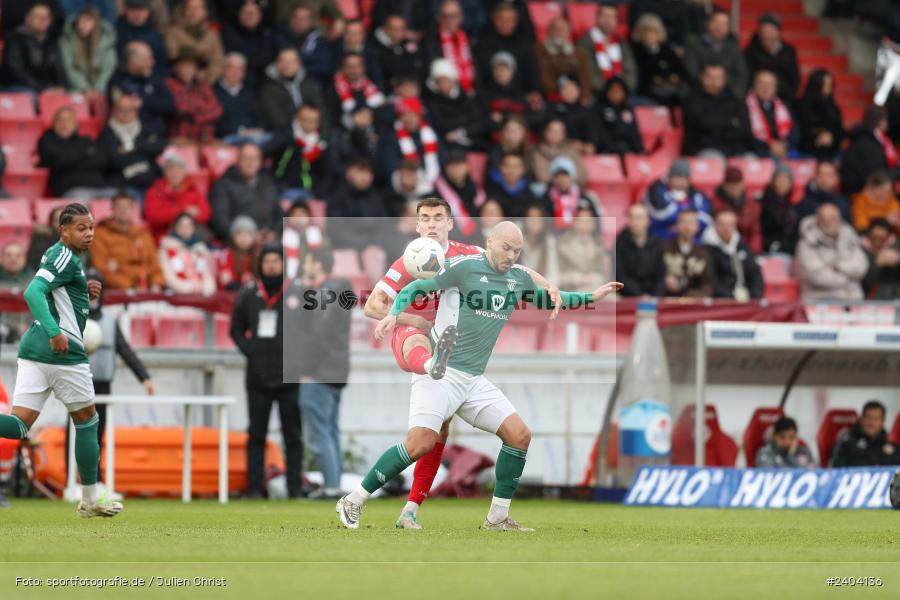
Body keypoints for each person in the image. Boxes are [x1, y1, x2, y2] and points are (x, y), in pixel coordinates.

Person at [340, 221, 621, 530]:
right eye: (506, 247)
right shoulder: (463, 267)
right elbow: (416, 287)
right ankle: (353, 499)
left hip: (473, 380)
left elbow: (551, 299)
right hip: (441, 373)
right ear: (490, 242)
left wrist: (591, 298)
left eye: (517, 250)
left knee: (520, 436)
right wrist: (394, 315)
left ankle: (497, 517)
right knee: (419, 443)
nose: (511, 255)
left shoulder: (518, 278)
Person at [362, 198, 556, 527]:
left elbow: (513, 267)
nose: (432, 223)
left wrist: (548, 285)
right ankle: (428, 364)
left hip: (450, 350)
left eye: (439, 217)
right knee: (419, 340)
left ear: (450, 223)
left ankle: (410, 510)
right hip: (412, 332)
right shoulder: (409, 261)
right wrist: (415, 320)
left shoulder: (466, 255)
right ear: (418, 226)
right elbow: (372, 306)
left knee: (437, 432)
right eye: (425, 218)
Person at [0, 203, 123, 518]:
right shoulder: (65, 255)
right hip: (63, 353)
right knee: (88, 421)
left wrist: (85, 293)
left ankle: (89, 499)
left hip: (33, 350)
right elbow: (33, 292)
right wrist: (56, 333)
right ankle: (90, 500)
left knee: (18, 426)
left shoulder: (63, 256)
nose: (89, 234)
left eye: (91, 227)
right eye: (82, 228)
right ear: (64, 230)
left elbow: (57, 295)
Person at [230, 243, 303, 499]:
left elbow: (310, 331)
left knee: (293, 437)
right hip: (257, 378)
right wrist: (251, 350)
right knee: (256, 435)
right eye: (267, 261)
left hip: (289, 378)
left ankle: (295, 489)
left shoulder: (296, 291)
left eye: (276, 260)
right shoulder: (249, 294)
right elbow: (235, 329)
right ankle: (253, 488)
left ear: (283, 264)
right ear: (260, 264)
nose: (271, 265)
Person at [292, 246, 352, 500]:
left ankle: (330, 486)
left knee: (319, 430)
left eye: (308, 262)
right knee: (330, 428)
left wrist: (306, 369)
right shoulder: (339, 290)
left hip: (320, 371)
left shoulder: (325, 293)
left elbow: (319, 334)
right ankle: (334, 483)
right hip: (337, 369)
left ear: (316, 264)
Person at [209, 142, 283, 242]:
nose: (250, 162)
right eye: (246, 158)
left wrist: (274, 233)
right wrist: (244, 235)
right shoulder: (223, 184)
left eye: (254, 158)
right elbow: (220, 220)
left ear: (260, 162)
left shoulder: (269, 184)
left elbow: (279, 214)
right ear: (238, 161)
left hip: (269, 241)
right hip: (239, 242)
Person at [91, 191, 165, 291]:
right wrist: (130, 286)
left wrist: (156, 284)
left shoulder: (143, 234)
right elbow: (102, 270)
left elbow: (155, 266)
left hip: (148, 290)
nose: (123, 211)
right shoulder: (101, 234)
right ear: (112, 209)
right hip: (119, 292)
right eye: (119, 207)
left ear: (132, 210)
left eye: (127, 207)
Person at [796, 203, 869, 301]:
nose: (830, 222)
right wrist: (850, 277)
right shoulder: (807, 242)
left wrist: (837, 266)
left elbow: (861, 267)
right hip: (819, 301)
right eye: (825, 219)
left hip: (853, 298)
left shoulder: (850, 237)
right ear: (818, 221)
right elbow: (816, 277)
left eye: (834, 218)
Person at [38, 106, 115, 199]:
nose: (64, 124)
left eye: (69, 120)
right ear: (53, 123)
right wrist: (84, 154)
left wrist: (72, 159)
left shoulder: (86, 140)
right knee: (80, 206)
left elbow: (102, 161)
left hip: (100, 187)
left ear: (76, 124)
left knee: (122, 199)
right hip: (71, 189)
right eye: (60, 120)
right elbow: (61, 161)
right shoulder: (47, 141)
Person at [475, 2, 541, 106]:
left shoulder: (523, 42)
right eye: (502, 19)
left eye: (510, 19)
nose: (506, 23)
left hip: (521, 94)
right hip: (492, 94)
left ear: (515, 21)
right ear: (494, 19)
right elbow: (482, 73)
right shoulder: (484, 42)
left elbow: (531, 70)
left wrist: (534, 90)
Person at [98, 94, 166, 195]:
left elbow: (159, 146)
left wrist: (133, 147)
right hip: (125, 185)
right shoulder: (107, 133)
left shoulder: (144, 127)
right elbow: (114, 160)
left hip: (151, 180)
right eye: (121, 109)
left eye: (129, 109)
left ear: (136, 112)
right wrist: (144, 150)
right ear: (113, 111)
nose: (126, 113)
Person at [681, 62, 751, 157]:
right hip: (701, 148)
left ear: (724, 80)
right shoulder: (692, 99)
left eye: (718, 78)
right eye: (709, 77)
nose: (713, 82)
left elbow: (745, 128)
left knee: (751, 160)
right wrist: (730, 122)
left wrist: (720, 127)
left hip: (733, 147)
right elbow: (705, 123)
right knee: (715, 158)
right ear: (702, 78)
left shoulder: (733, 99)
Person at [108, 41, 174, 137]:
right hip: (127, 134)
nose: (152, 62)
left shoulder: (154, 79)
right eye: (148, 58)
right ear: (133, 61)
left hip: (155, 133)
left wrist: (143, 102)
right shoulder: (118, 81)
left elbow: (169, 104)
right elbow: (120, 107)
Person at [268, 103, 330, 200]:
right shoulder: (285, 136)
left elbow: (326, 173)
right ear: (297, 118)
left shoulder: (321, 144)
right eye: (305, 120)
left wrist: (318, 192)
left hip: (311, 192)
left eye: (313, 121)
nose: (309, 124)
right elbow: (269, 152)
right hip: (284, 190)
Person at [143, 154, 211, 243]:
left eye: (179, 168)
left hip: (191, 237)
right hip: (164, 237)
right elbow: (153, 217)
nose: (175, 172)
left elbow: (206, 214)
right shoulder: (156, 190)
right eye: (171, 169)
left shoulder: (192, 190)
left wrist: (196, 214)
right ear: (165, 172)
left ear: (184, 172)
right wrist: (182, 211)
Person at [1, 2, 67, 93]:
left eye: (47, 17)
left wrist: (61, 87)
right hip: (17, 87)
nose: (43, 20)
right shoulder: (15, 39)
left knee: (70, 97)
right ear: (27, 19)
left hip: (45, 88)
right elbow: (17, 72)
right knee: (32, 97)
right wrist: (43, 89)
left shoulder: (51, 42)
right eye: (38, 16)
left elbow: (59, 70)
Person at [683, 7, 747, 99]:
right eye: (717, 23)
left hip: (727, 96)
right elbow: (691, 71)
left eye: (724, 24)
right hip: (698, 95)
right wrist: (709, 81)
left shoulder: (734, 47)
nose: (719, 27)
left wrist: (721, 82)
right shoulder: (693, 43)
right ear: (709, 23)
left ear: (729, 28)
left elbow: (741, 74)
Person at [423, 59, 485, 154]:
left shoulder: (467, 96)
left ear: (452, 79)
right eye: (438, 82)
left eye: (445, 80)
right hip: (449, 144)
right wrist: (464, 120)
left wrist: (460, 132)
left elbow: (479, 122)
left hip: (474, 139)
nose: (442, 85)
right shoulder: (433, 101)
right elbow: (440, 124)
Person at [164, 48, 224, 144]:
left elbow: (216, 110)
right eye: (184, 66)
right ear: (176, 67)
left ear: (197, 69)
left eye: (192, 66)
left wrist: (195, 117)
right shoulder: (169, 84)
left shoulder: (204, 86)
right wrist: (202, 105)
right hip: (179, 138)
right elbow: (180, 107)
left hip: (205, 138)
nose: (188, 70)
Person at [576, 2, 637, 96]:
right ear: (597, 17)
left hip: (623, 94)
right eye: (604, 16)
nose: (608, 20)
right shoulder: (585, 43)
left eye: (612, 17)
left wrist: (624, 89)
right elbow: (588, 73)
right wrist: (609, 91)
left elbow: (630, 70)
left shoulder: (622, 43)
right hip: (597, 94)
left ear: (616, 21)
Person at [643, 159, 713, 240]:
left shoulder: (697, 195)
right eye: (677, 177)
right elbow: (660, 214)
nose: (681, 182)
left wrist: (681, 225)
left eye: (684, 178)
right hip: (661, 239)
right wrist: (689, 221)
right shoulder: (657, 191)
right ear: (669, 178)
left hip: (692, 242)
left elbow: (707, 219)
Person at [702, 209, 763, 300]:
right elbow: (712, 280)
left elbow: (755, 274)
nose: (726, 228)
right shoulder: (707, 250)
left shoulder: (742, 247)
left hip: (745, 298)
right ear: (715, 225)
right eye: (722, 224)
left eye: (730, 225)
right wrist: (733, 297)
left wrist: (754, 296)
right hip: (721, 301)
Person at [258, 47, 324, 131]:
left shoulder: (309, 84)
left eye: (291, 62)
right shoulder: (268, 88)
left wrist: (322, 134)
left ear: (299, 64)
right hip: (285, 133)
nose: (287, 65)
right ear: (277, 64)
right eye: (283, 61)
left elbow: (321, 110)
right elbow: (276, 118)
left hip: (313, 131)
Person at [631, 13, 687, 107]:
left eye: (652, 31)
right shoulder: (635, 52)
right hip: (647, 93)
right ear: (639, 34)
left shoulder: (668, 51)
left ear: (659, 33)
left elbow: (681, 74)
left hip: (671, 90)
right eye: (645, 32)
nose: (649, 35)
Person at [220, 0, 276, 92]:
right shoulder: (229, 34)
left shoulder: (266, 34)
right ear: (239, 15)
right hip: (239, 82)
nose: (250, 16)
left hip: (263, 83)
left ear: (260, 16)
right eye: (246, 13)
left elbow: (268, 61)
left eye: (253, 13)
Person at [422, 0, 476, 95]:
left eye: (453, 16)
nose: (449, 20)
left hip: (470, 91)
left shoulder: (468, 39)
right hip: (443, 94)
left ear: (461, 17)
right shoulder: (430, 40)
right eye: (445, 16)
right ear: (438, 17)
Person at [58, 7, 117, 95]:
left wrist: (98, 89)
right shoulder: (67, 41)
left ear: (96, 23)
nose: (82, 24)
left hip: (101, 89)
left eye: (88, 21)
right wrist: (84, 88)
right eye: (80, 21)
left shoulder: (107, 41)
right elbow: (69, 68)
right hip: (76, 89)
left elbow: (107, 70)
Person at [743, 13, 800, 103]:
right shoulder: (750, 51)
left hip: (783, 96)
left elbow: (794, 78)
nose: (767, 35)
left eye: (771, 31)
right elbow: (748, 77)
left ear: (778, 32)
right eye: (764, 31)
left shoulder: (788, 51)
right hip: (757, 98)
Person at [164, 0, 225, 83]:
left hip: (207, 83)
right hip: (179, 82)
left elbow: (218, 62)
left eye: (198, 8)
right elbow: (173, 56)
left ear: (205, 12)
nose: (194, 12)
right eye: (190, 8)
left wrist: (202, 76)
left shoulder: (212, 35)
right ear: (184, 10)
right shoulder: (173, 32)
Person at [214, 52, 267, 144]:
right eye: (231, 68)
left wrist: (258, 129)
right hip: (227, 137)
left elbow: (258, 116)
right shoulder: (213, 92)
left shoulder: (250, 93)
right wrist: (241, 131)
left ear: (244, 73)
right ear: (224, 69)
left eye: (239, 69)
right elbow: (216, 124)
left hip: (254, 135)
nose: (235, 72)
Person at [534, 17, 591, 103]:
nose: (558, 33)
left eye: (562, 29)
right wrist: (562, 90)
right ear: (549, 31)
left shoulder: (578, 53)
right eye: (555, 29)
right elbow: (543, 76)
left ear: (568, 32)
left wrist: (583, 95)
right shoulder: (539, 51)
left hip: (576, 97)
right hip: (551, 97)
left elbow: (585, 77)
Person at [387, 96, 441, 185]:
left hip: (434, 180)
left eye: (413, 114)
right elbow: (390, 166)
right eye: (405, 115)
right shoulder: (391, 138)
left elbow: (441, 155)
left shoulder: (430, 133)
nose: (410, 119)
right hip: (404, 184)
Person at [157, 213, 216, 295]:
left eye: (189, 226)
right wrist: (191, 288)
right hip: (178, 296)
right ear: (175, 228)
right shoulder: (167, 248)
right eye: (182, 226)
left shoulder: (200, 249)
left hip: (201, 294)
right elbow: (169, 278)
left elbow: (207, 275)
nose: (185, 229)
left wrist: (207, 288)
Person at [326, 51, 386, 131]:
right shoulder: (332, 88)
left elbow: (383, 109)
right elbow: (330, 117)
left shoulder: (371, 85)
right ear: (343, 68)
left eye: (358, 66)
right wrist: (352, 120)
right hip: (345, 133)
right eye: (350, 66)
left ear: (363, 68)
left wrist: (371, 114)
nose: (354, 70)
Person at [616, 204, 666, 297]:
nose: (635, 222)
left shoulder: (657, 243)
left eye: (639, 218)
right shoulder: (620, 242)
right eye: (631, 217)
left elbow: (661, 274)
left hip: (653, 295)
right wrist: (639, 295)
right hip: (626, 295)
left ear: (648, 221)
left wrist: (655, 296)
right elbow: (619, 275)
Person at [830, 401, 900, 467]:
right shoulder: (846, 443)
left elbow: (897, 476)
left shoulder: (892, 448)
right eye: (868, 417)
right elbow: (836, 471)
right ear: (861, 419)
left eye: (876, 419)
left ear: (882, 421)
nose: (872, 422)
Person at [558, 202, 609, 293]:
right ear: (574, 222)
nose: (585, 224)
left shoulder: (598, 244)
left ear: (593, 224)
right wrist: (579, 279)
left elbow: (604, 275)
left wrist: (593, 279)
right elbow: (558, 275)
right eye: (581, 220)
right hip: (571, 290)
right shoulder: (562, 244)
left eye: (588, 220)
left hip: (595, 287)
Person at [276, 4, 333, 83]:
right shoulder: (278, 38)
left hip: (312, 84)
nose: (299, 22)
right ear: (290, 19)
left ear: (310, 21)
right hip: (281, 83)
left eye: (304, 18)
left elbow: (324, 67)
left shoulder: (320, 41)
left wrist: (298, 68)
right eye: (296, 17)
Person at [433, 150, 483, 242]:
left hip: (475, 236)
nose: (455, 170)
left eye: (459, 165)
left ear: (467, 166)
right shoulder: (437, 190)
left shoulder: (475, 189)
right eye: (451, 166)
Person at [712, 167, 762, 254]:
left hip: (746, 249)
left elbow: (755, 232)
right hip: (721, 249)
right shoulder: (715, 203)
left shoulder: (751, 205)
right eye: (731, 184)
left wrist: (752, 253)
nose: (734, 188)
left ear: (743, 184)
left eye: (737, 184)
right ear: (724, 185)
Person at [745, 70, 794, 160]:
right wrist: (769, 145)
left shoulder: (784, 105)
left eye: (770, 84)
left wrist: (784, 144)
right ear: (754, 85)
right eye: (762, 83)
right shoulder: (745, 105)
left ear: (776, 88)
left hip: (784, 149)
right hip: (757, 150)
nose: (766, 88)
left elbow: (795, 132)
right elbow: (744, 135)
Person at [662, 210, 712, 297]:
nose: (687, 227)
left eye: (691, 223)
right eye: (683, 222)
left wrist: (692, 296)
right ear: (677, 225)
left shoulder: (703, 253)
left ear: (697, 227)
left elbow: (708, 284)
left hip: (693, 304)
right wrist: (664, 280)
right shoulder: (663, 248)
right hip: (666, 300)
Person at [539, 156, 598, 229]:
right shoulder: (545, 200)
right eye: (557, 176)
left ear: (572, 177)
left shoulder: (584, 199)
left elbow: (596, 225)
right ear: (553, 179)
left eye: (565, 175)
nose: (562, 179)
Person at [797, 69, 844, 161]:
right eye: (825, 85)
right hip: (808, 147)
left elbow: (839, 130)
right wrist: (817, 138)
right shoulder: (801, 106)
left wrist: (831, 135)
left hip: (831, 148)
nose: (828, 88)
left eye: (830, 85)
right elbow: (801, 130)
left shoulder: (833, 107)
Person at [369, 13, 423, 92]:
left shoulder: (410, 45)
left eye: (401, 29)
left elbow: (418, 68)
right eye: (394, 29)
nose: (398, 33)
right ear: (385, 29)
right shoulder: (374, 48)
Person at [528, 118, 586, 189]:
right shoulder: (538, 152)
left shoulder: (571, 151)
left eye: (558, 132)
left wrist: (567, 182)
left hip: (570, 189)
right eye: (551, 131)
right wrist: (560, 181)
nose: (554, 134)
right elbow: (542, 176)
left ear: (563, 134)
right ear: (545, 132)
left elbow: (582, 175)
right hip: (548, 191)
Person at [115, 0, 168, 78]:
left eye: (142, 10)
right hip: (123, 79)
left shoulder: (155, 33)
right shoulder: (116, 32)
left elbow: (162, 66)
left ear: (148, 11)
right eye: (134, 10)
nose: (138, 14)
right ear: (126, 11)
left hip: (151, 80)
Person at [594, 76, 644, 156]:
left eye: (619, 90)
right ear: (607, 92)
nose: (616, 93)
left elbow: (634, 132)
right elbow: (601, 134)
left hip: (629, 151)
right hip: (609, 152)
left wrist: (639, 149)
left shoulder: (628, 110)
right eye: (613, 90)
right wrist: (617, 150)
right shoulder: (599, 109)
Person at [759, 164, 798, 255]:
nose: (782, 183)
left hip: (789, 250)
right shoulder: (764, 203)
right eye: (779, 179)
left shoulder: (791, 206)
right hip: (770, 250)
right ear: (773, 181)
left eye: (786, 180)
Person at [484, 152, 536, 219]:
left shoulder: (529, 195)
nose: (511, 170)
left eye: (515, 167)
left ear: (523, 169)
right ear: (501, 168)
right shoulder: (491, 192)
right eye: (507, 166)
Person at [520, 204, 559, 284]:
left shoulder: (549, 242)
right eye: (530, 218)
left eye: (538, 219)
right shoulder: (517, 237)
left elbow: (553, 273)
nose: (533, 222)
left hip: (541, 289)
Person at [215, 216, 257, 291]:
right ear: (233, 237)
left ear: (254, 236)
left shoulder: (258, 254)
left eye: (248, 234)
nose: (244, 238)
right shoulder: (225, 255)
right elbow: (225, 281)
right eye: (239, 234)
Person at [862, 218, 900, 299]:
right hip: (869, 297)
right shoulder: (861, 250)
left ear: (889, 237)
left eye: (882, 239)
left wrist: (897, 261)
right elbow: (864, 283)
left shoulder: (897, 247)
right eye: (874, 238)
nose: (877, 242)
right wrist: (877, 264)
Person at [27, 206, 64, 271]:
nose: (60, 223)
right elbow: (36, 262)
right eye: (57, 220)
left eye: (64, 220)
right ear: (51, 222)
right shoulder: (42, 237)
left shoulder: (78, 239)